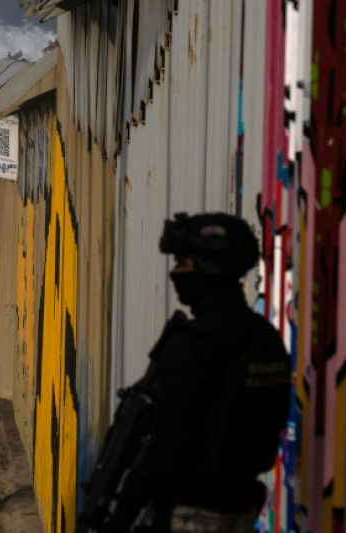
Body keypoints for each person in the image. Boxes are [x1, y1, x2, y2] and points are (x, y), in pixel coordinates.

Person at [102, 212, 291, 533]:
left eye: (183, 263)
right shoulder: (265, 339)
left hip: (188, 512)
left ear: (209, 269)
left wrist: (119, 517)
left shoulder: (193, 345)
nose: (175, 273)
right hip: (241, 510)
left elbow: (165, 447)